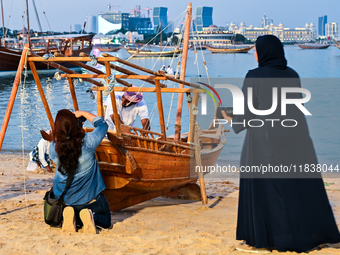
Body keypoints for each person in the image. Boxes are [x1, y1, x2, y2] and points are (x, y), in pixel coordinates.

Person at [222, 35, 340, 253]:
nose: (255, 54)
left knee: (266, 189)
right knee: (299, 187)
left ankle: (265, 241)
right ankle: (317, 233)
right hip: (296, 137)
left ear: (264, 52)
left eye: (256, 50)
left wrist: (230, 119)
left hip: (264, 140)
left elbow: (248, 113)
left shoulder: (254, 76)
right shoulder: (293, 74)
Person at [49, 109, 111, 233]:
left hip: (64, 201)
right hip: (89, 200)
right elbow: (103, 125)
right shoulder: (88, 141)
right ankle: (89, 216)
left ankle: (71, 215)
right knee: (106, 220)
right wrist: (84, 114)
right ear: (75, 124)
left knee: (69, 202)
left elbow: (63, 140)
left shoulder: (53, 148)